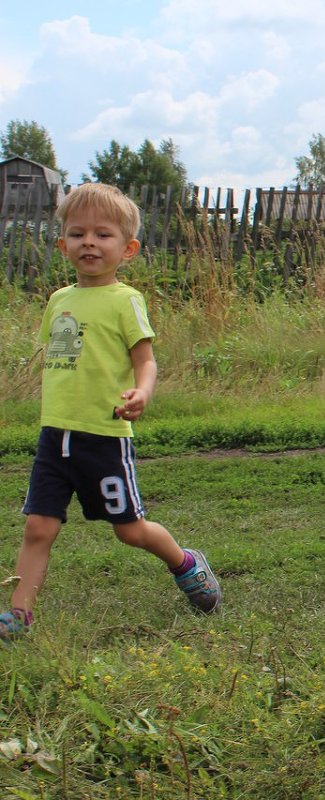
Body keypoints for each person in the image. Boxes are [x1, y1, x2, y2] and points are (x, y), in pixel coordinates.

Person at [0, 183, 221, 643]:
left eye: (103, 234)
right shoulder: (59, 300)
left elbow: (146, 359)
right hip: (54, 437)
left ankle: (185, 562)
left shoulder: (125, 300)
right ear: (62, 245)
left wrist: (141, 392)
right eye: (78, 234)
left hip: (103, 438)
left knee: (131, 531)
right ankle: (19, 616)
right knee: (39, 526)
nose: (89, 243)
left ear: (128, 248)